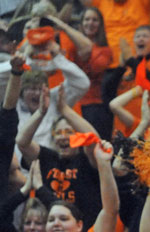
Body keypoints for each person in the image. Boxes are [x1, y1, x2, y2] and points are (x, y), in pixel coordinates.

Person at [17, 85, 106, 225]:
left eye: (68, 132)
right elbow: (22, 142)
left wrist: (64, 109)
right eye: (58, 133)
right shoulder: (47, 157)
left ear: (79, 137)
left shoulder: (87, 158)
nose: (63, 137)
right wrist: (40, 112)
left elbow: (94, 139)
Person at [48, 9, 114, 139]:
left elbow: (94, 64)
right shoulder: (70, 44)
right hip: (70, 102)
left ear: (100, 25)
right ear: (81, 23)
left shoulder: (105, 50)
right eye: (87, 19)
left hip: (93, 106)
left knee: (92, 143)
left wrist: (63, 25)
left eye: (95, 20)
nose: (90, 23)